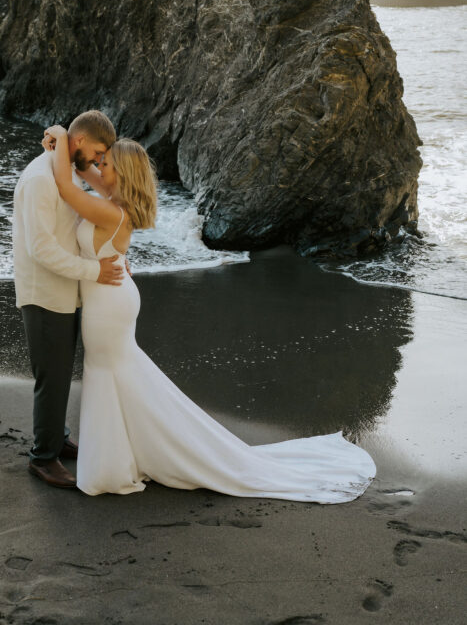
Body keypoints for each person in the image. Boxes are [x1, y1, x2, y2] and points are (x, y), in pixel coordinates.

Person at [42, 124, 376, 501]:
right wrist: (72, 151)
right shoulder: (115, 203)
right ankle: (123, 457)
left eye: (105, 164)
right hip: (112, 298)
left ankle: (115, 465)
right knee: (117, 376)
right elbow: (85, 178)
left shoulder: (109, 211)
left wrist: (57, 135)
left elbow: (67, 189)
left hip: (109, 305)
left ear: (120, 173)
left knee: (107, 374)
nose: (98, 168)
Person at [12, 109, 124, 489]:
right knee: (52, 377)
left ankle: (57, 439)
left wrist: (61, 136)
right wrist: (95, 272)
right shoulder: (41, 180)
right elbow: (40, 248)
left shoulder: (65, 169)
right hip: (44, 293)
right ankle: (43, 458)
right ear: (79, 141)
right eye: (96, 153)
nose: (97, 162)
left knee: (60, 373)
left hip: (65, 291)